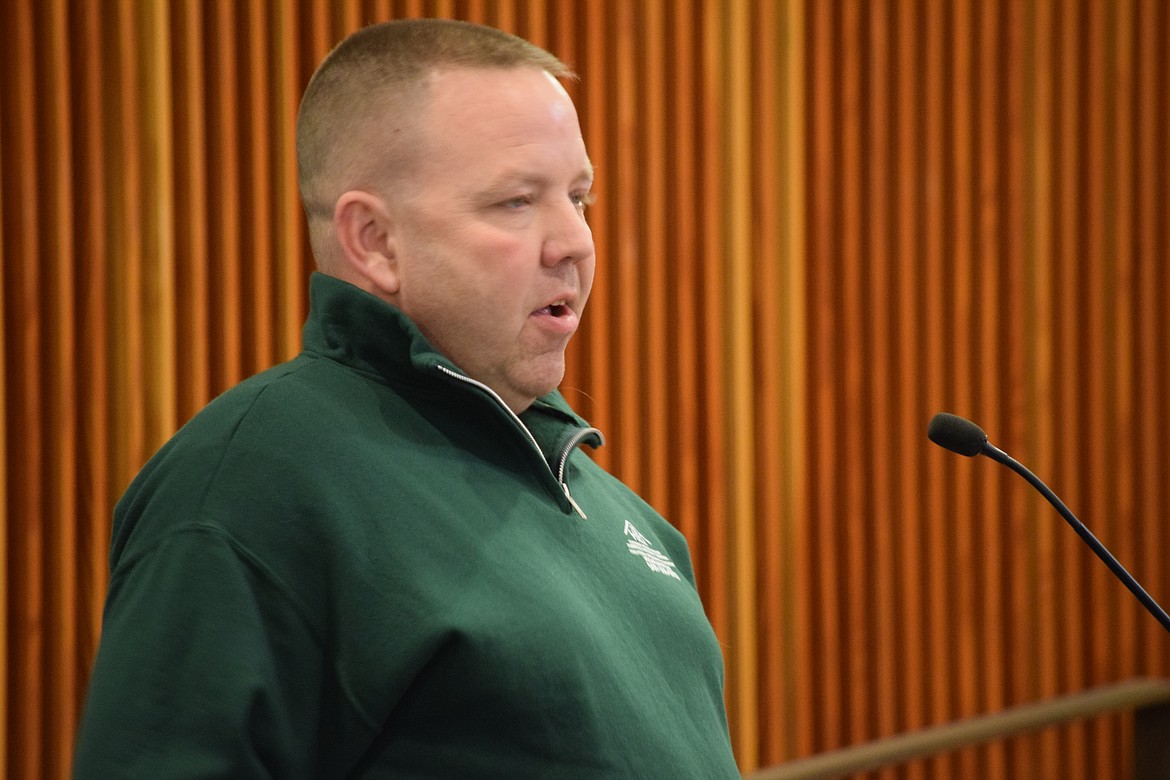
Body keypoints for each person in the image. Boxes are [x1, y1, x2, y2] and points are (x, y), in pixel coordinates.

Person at [73, 18, 740, 779]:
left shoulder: (626, 518)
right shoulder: (251, 487)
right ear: (375, 242)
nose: (574, 241)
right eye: (516, 202)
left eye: (579, 195)